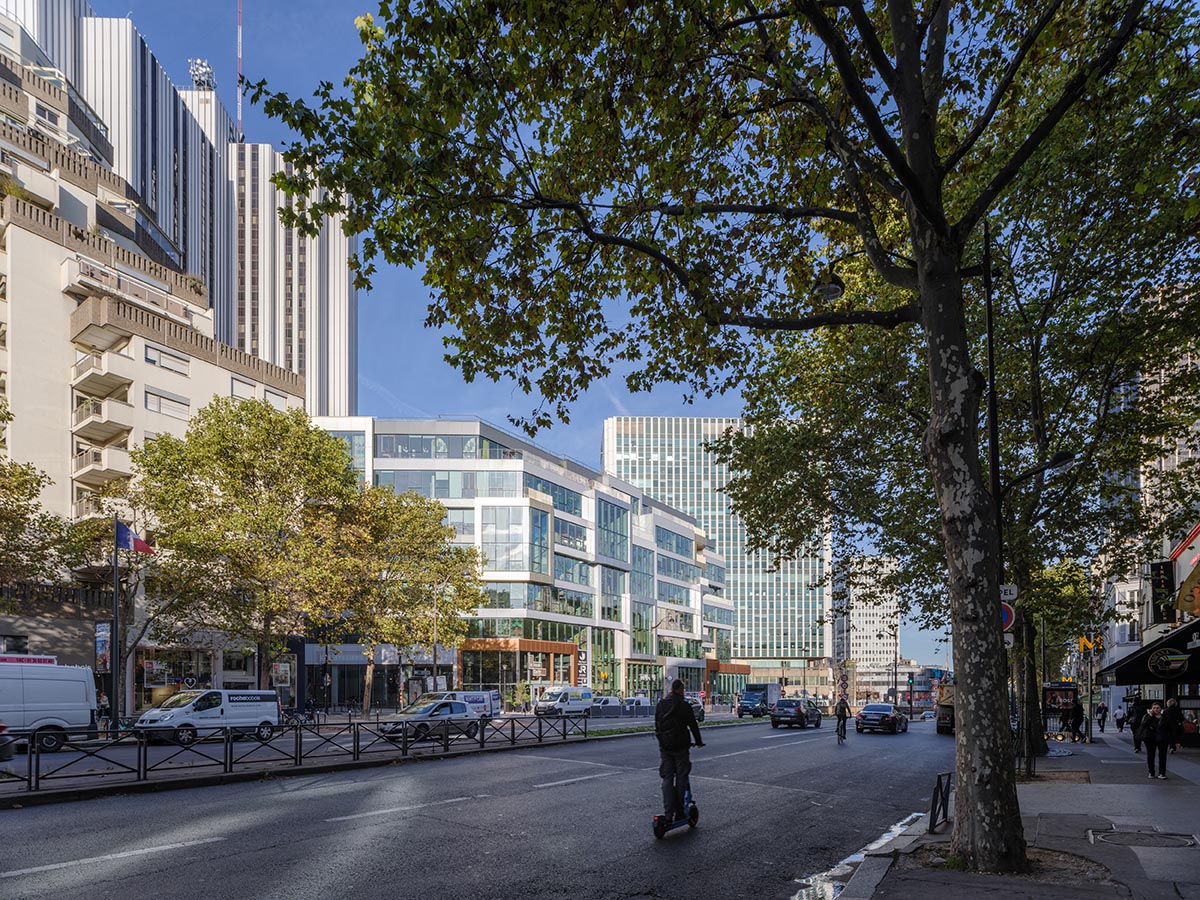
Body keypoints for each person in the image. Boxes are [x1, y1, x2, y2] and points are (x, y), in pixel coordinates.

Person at [655, 679, 704, 822]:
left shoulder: (661, 705)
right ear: (681, 690)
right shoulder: (684, 706)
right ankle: (680, 811)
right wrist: (699, 742)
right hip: (681, 747)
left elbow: (657, 725)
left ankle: (668, 814)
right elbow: (693, 725)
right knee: (682, 777)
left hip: (665, 747)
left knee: (667, 778)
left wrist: (662, 742)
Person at [1138, 701, 1181, 779]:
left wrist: (1175, 740)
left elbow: (1171, 729)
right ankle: (1151, 772)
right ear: (1151, 709)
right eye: (1154, 708)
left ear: (1161, 709)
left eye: (1157, 708)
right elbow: (1144, 725)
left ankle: (1162, 773)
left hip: (1162, 738)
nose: (1155, 709)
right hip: (1150, 738)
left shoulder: (1166, 717)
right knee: (1151, 755)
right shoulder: (1147, 716)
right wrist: (1150, 716)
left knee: (1162, 756)